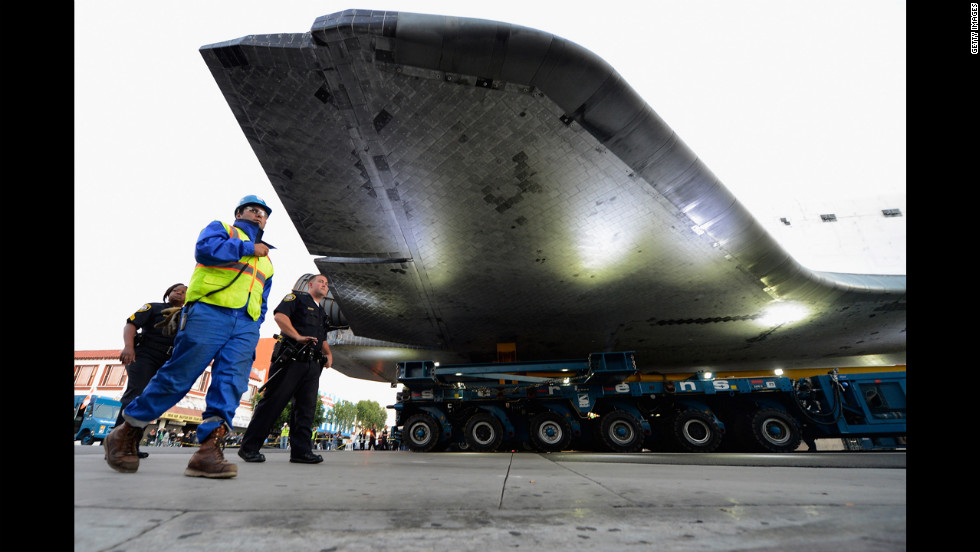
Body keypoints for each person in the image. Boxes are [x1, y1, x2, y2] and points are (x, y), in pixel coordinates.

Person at [103, 195, 275, 479]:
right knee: (180, 374)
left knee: (232, 382)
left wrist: (256, 322)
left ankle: (208, 451)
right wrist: (248, 247)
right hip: (209, 312)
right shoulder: (222, 228)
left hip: (245, 324)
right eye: (253, 210)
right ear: (239, 212)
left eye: (264, 214)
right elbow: (204, 250)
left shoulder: (267, 259)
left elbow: (263, 294)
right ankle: (127, 431)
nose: (259, 216)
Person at [238, 274, 335, 465]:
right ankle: (249, 448)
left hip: (313, 365)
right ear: (310, 284)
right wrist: (298, 337)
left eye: (326, 283)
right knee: (274, 402)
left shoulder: (322, 312)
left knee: (306, 409)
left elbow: (322, 338)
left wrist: (329, 354)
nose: (324, 285)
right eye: (320, 281)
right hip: (292, 360)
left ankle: (301, 452)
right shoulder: (296, 298)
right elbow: (280, 316)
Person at [116, 283, 188, 458]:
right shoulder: (153, 307)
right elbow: (131, 324)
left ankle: (133, 444)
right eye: (175, 290)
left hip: (167, 360)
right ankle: (117, 443)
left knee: (151, 400)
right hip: (144, 355)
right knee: (136, 394)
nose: (179, 293)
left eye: (184, 292)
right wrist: (128, 346)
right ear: (168, 293)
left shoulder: (188, 315)